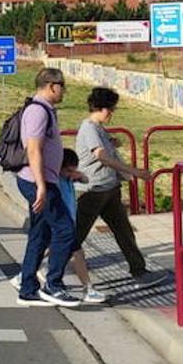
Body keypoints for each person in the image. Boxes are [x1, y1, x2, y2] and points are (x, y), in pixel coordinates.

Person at [75, 86, 168, 290]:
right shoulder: (90, 128)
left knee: (124, 231)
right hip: (93, 190)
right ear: (102, 108)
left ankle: (139, 270)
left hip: (109, 189)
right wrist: (134, 172)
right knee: (74, 236)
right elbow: (101, 156)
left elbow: (103, 150)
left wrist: (112, 143)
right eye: (111, 109)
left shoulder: (98, 128)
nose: (112, 114)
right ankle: (36, 269)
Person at [15, 67, 80, 307]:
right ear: (52, 85)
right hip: (37, 181)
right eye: (62, 85)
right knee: (65, 230)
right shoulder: (38, 111)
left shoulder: (44, 110)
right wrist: (42, 186)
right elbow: (33, 149)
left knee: (40, 233)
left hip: (40, 180)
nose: (64, 90)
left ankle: (28, 288)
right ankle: (54, 285)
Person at [10, 148, 108, 305]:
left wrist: (77, 175)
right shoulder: (56, 183)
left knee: (48, 249)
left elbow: (84, 179)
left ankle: (24, 276)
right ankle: (85, 289)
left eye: (73, 171)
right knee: (76, 251)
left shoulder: (67, 179)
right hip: (60, 223)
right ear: (58, 168)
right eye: (68, 170)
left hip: (64, 221)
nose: (71, 174)